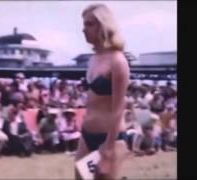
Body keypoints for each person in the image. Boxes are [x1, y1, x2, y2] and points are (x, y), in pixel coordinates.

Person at [75, 4, 130, 180]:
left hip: (109, 139)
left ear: (103, 25)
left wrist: (108, 150)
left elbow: (119, 108)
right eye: (84, 24)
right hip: (87, 135)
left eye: (89, 24)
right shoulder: (93, 59)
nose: (84, 30)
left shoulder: (118, 61)